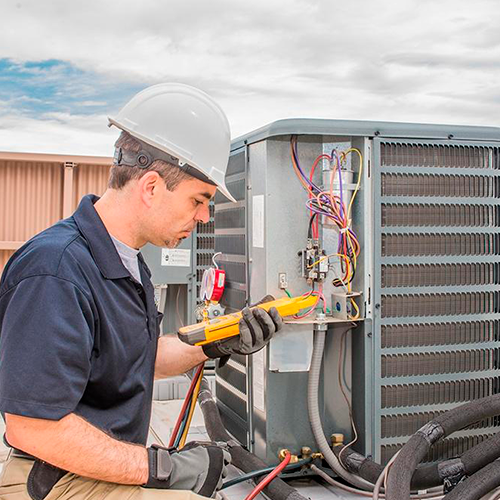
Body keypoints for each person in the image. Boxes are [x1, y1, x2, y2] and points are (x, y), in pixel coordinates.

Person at [0, 83, 283, 500]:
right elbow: (33, 426)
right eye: (198, 200)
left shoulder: (125, 260)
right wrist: (160, 468)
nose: (204, 217)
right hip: (53, 478)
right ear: (151, 187)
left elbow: (140, 359)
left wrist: (222, 339)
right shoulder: (55, 272)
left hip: (93, 468)